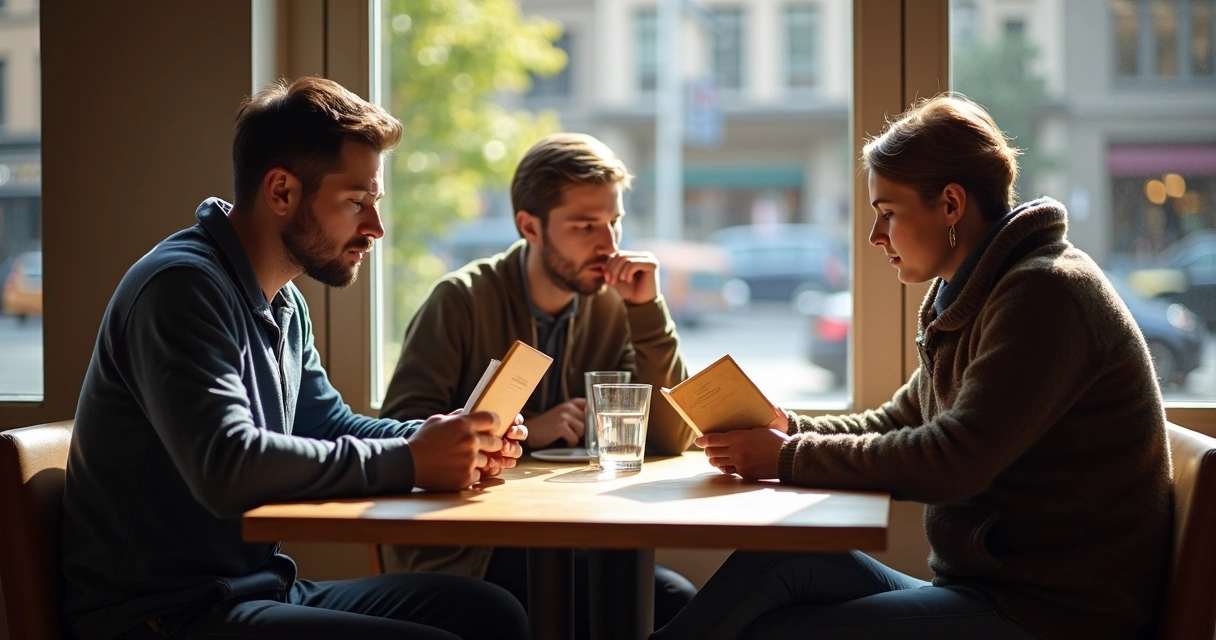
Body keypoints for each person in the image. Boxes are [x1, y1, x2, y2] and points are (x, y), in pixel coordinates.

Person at [653, 94, 1172, 639]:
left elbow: (953, 460)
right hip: (988, 591)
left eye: (888, 214)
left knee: (775, 631)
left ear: (950, 204)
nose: (876, 237)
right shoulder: (975, 291)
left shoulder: (1044, 293)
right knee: (778, 558)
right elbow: (898, 421)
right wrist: (790, 429)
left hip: (1056, 613)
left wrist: (787, 456)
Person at [60, 77, 530, 640]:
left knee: (492, 614)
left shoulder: (284, 302)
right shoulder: (180, 287)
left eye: (374, 203)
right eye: (357, 202)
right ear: (281, 191)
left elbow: (327, 425)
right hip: (164, 615)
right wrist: (413, 461)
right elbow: (227, 467)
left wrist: (447, 438)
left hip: (256, 589)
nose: (375, 228)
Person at [378, 132, 698, 636]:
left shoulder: (614, 307)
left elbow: (671, 436)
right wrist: (529, 431)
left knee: (672, 600)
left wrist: (647, 312)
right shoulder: (460, 301)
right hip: (469, 547)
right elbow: (401, 433)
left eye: (614, 222)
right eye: (585, 225)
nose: (609, 245)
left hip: (581, 529)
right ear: (530, 226)